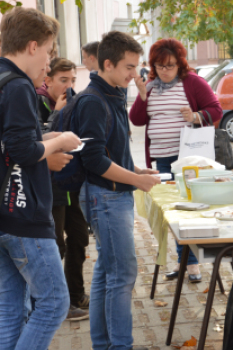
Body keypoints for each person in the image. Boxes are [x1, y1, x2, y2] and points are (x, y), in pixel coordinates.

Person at [0, 7, 82, 350]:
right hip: (24, 215)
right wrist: (60, 140)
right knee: (53, 304)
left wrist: (48, 140)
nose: (49, 63)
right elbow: (20, 150)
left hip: (5, 214)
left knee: (10, 308)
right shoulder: (18, 85)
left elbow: (11, 143)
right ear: (32, 46)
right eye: (48, 52)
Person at [75, 31, 160, 350]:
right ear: (106, 64)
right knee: (122, 275)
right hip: (104, 197)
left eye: (136, 66)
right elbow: (93, 159)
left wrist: (137, 170)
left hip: (111, 195)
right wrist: (136, 181)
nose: (133, 74)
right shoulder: (93, 100)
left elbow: (111, 151)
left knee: (106, 274)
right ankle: (119, 345)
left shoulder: (111, 92)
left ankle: (104, 344)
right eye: (128, 66)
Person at [129, 38, 222, 283]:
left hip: (189, 160)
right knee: (173, 212)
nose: (165, 71)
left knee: (190, 211)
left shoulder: (192, 83)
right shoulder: (149, 87)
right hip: (161, 160)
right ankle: (187, 262)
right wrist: (141, 95)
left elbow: (216, 109)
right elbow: (137, 120)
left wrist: (195, 116)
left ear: (179, 64)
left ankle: (191, 265)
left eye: (170, 66)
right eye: (160, 66)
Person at [36, 57, 90, 321]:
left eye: (72, 81)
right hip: (49, 188)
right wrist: (58, 112)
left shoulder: (73, 102)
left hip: (70, 186)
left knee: (79, 238)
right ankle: (55, 304)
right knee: (55, 245)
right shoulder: (38, 100)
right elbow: (35, 141)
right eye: (63, 80)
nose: (68, 86)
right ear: (48, 80)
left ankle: (76, 294)